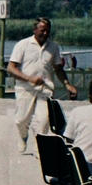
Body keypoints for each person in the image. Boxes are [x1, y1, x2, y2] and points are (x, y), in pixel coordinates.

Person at [9, 17, 77, 153]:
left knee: (44, 120)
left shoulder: (53, 47)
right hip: (25, 88)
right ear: (35, 30)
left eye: (47, 31)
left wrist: (67, 84)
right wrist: (29, 78)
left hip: (46, 89)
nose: (45, 34)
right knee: (21, 120)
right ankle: (23, 136)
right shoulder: (22, 45)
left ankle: (39, 149)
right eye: (42, 31)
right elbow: (11, 68)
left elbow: (58, 69)